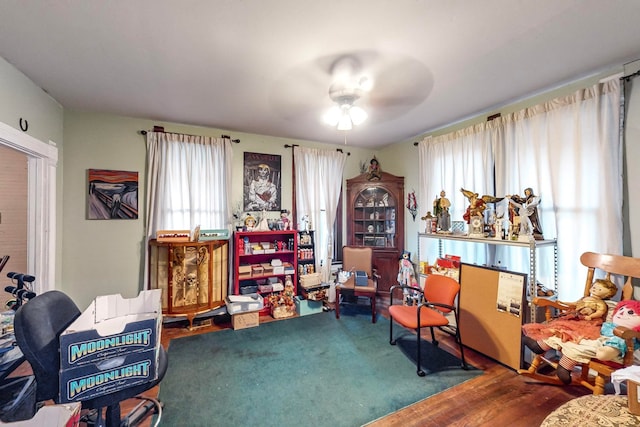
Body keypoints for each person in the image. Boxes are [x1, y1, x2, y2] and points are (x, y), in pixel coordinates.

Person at [522, 278, 621, 384]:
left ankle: (564, 368)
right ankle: (539, 346)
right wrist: (563, 303)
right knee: (558, 329)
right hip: (576, 319)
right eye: (594, 287)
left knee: (575, 340)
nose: (595, 289)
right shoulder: (585, 298)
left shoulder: (600, 303)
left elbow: (601, 312)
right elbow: (574, 304)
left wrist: (591, 316)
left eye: (599, 289)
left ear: (607, 294)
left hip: (588, 323)